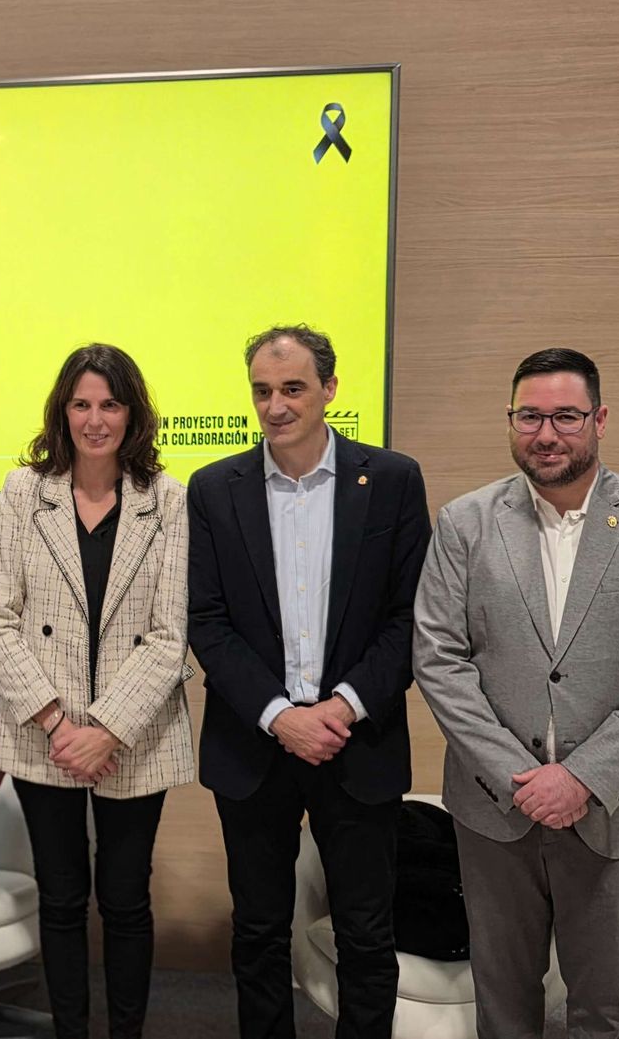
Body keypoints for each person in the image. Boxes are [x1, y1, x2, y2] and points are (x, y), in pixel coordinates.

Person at [414, 347, 619, 1039]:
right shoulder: (466, 522)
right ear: (511, 419)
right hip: (497, 807)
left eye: (565, 415)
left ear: (600, 418)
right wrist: (518, 778)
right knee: (502, 997)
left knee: (605, 1000)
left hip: (617, 807)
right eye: (529, 415)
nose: (545, 432)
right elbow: (439, 658)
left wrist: (582, 777)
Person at [187, 325, 431, 1039]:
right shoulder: (213, 489)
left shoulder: (390, 480)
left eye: (292, 388)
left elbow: (411, 617)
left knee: (364, 932)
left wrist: (342, 707)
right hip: (253, 746)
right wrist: (278, 714)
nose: (276, 405)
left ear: (329, 389)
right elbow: (206, 620)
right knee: (259, 932)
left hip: (357, 745)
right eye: (263, 390)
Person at [0, 343, 193, 1039]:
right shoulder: (22, 490)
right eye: (81, 404)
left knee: (126, 899)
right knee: (63, 897)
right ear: (61, 411)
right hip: (44, 734)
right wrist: (56, 723)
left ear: (132, 412)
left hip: (134, 734)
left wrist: (106, 728)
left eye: (109, 403)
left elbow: (169, 634)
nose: (95, 419)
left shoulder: (167, 498)